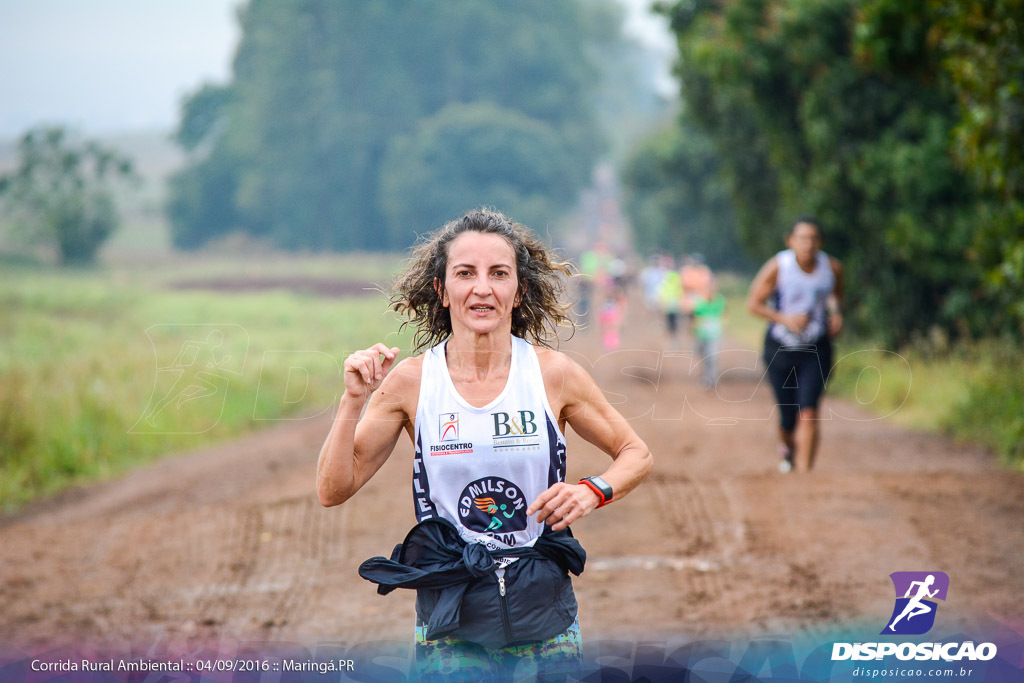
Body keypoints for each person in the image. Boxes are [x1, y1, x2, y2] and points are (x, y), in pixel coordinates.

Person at [317, 209, 652, 681]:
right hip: (453, 615)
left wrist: (591, 491)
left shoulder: (553, 374)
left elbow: (636, 453)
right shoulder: (412, 381)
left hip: (544, 610)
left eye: (499, 274)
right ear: (442, 289)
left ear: (519, 291)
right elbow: (334, 488)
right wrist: (354, 399)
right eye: (465, 274)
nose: (482, 288)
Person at [746, 217, 843, 473]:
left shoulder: (831, 267)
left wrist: (836, 315)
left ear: (819, 242)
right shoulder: (779, 267)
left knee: (809, 411)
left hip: (816, 349)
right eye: (802, 238)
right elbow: (753, 304)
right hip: (780, 348)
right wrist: (784, 319)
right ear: (790, 241)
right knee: (788, 418)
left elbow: (834, 296)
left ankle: (805, 475)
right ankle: (787, 450)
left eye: (812, 238)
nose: (807, 244)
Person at [691, 282, 726, 389]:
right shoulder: (700, 302)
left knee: (712, 357)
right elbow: (694, 317)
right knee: (704, 356)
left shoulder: (720, 300)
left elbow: (724, 313)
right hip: (701, 334)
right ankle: (706, 376)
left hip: (714, 334)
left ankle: (712, 378)